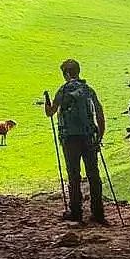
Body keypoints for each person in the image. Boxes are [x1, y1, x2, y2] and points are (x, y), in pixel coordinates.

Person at [45, 59, 105, 224]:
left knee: (74, 175)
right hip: (88, 137)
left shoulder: (63, 90)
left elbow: (50, 112)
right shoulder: (88, 90)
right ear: (78, 72)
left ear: (66, 74)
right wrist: (100, 135)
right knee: (94, 175)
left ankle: (76, 212)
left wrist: (46, 104)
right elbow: (99, 113)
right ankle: (98, 212)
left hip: (70, 138)